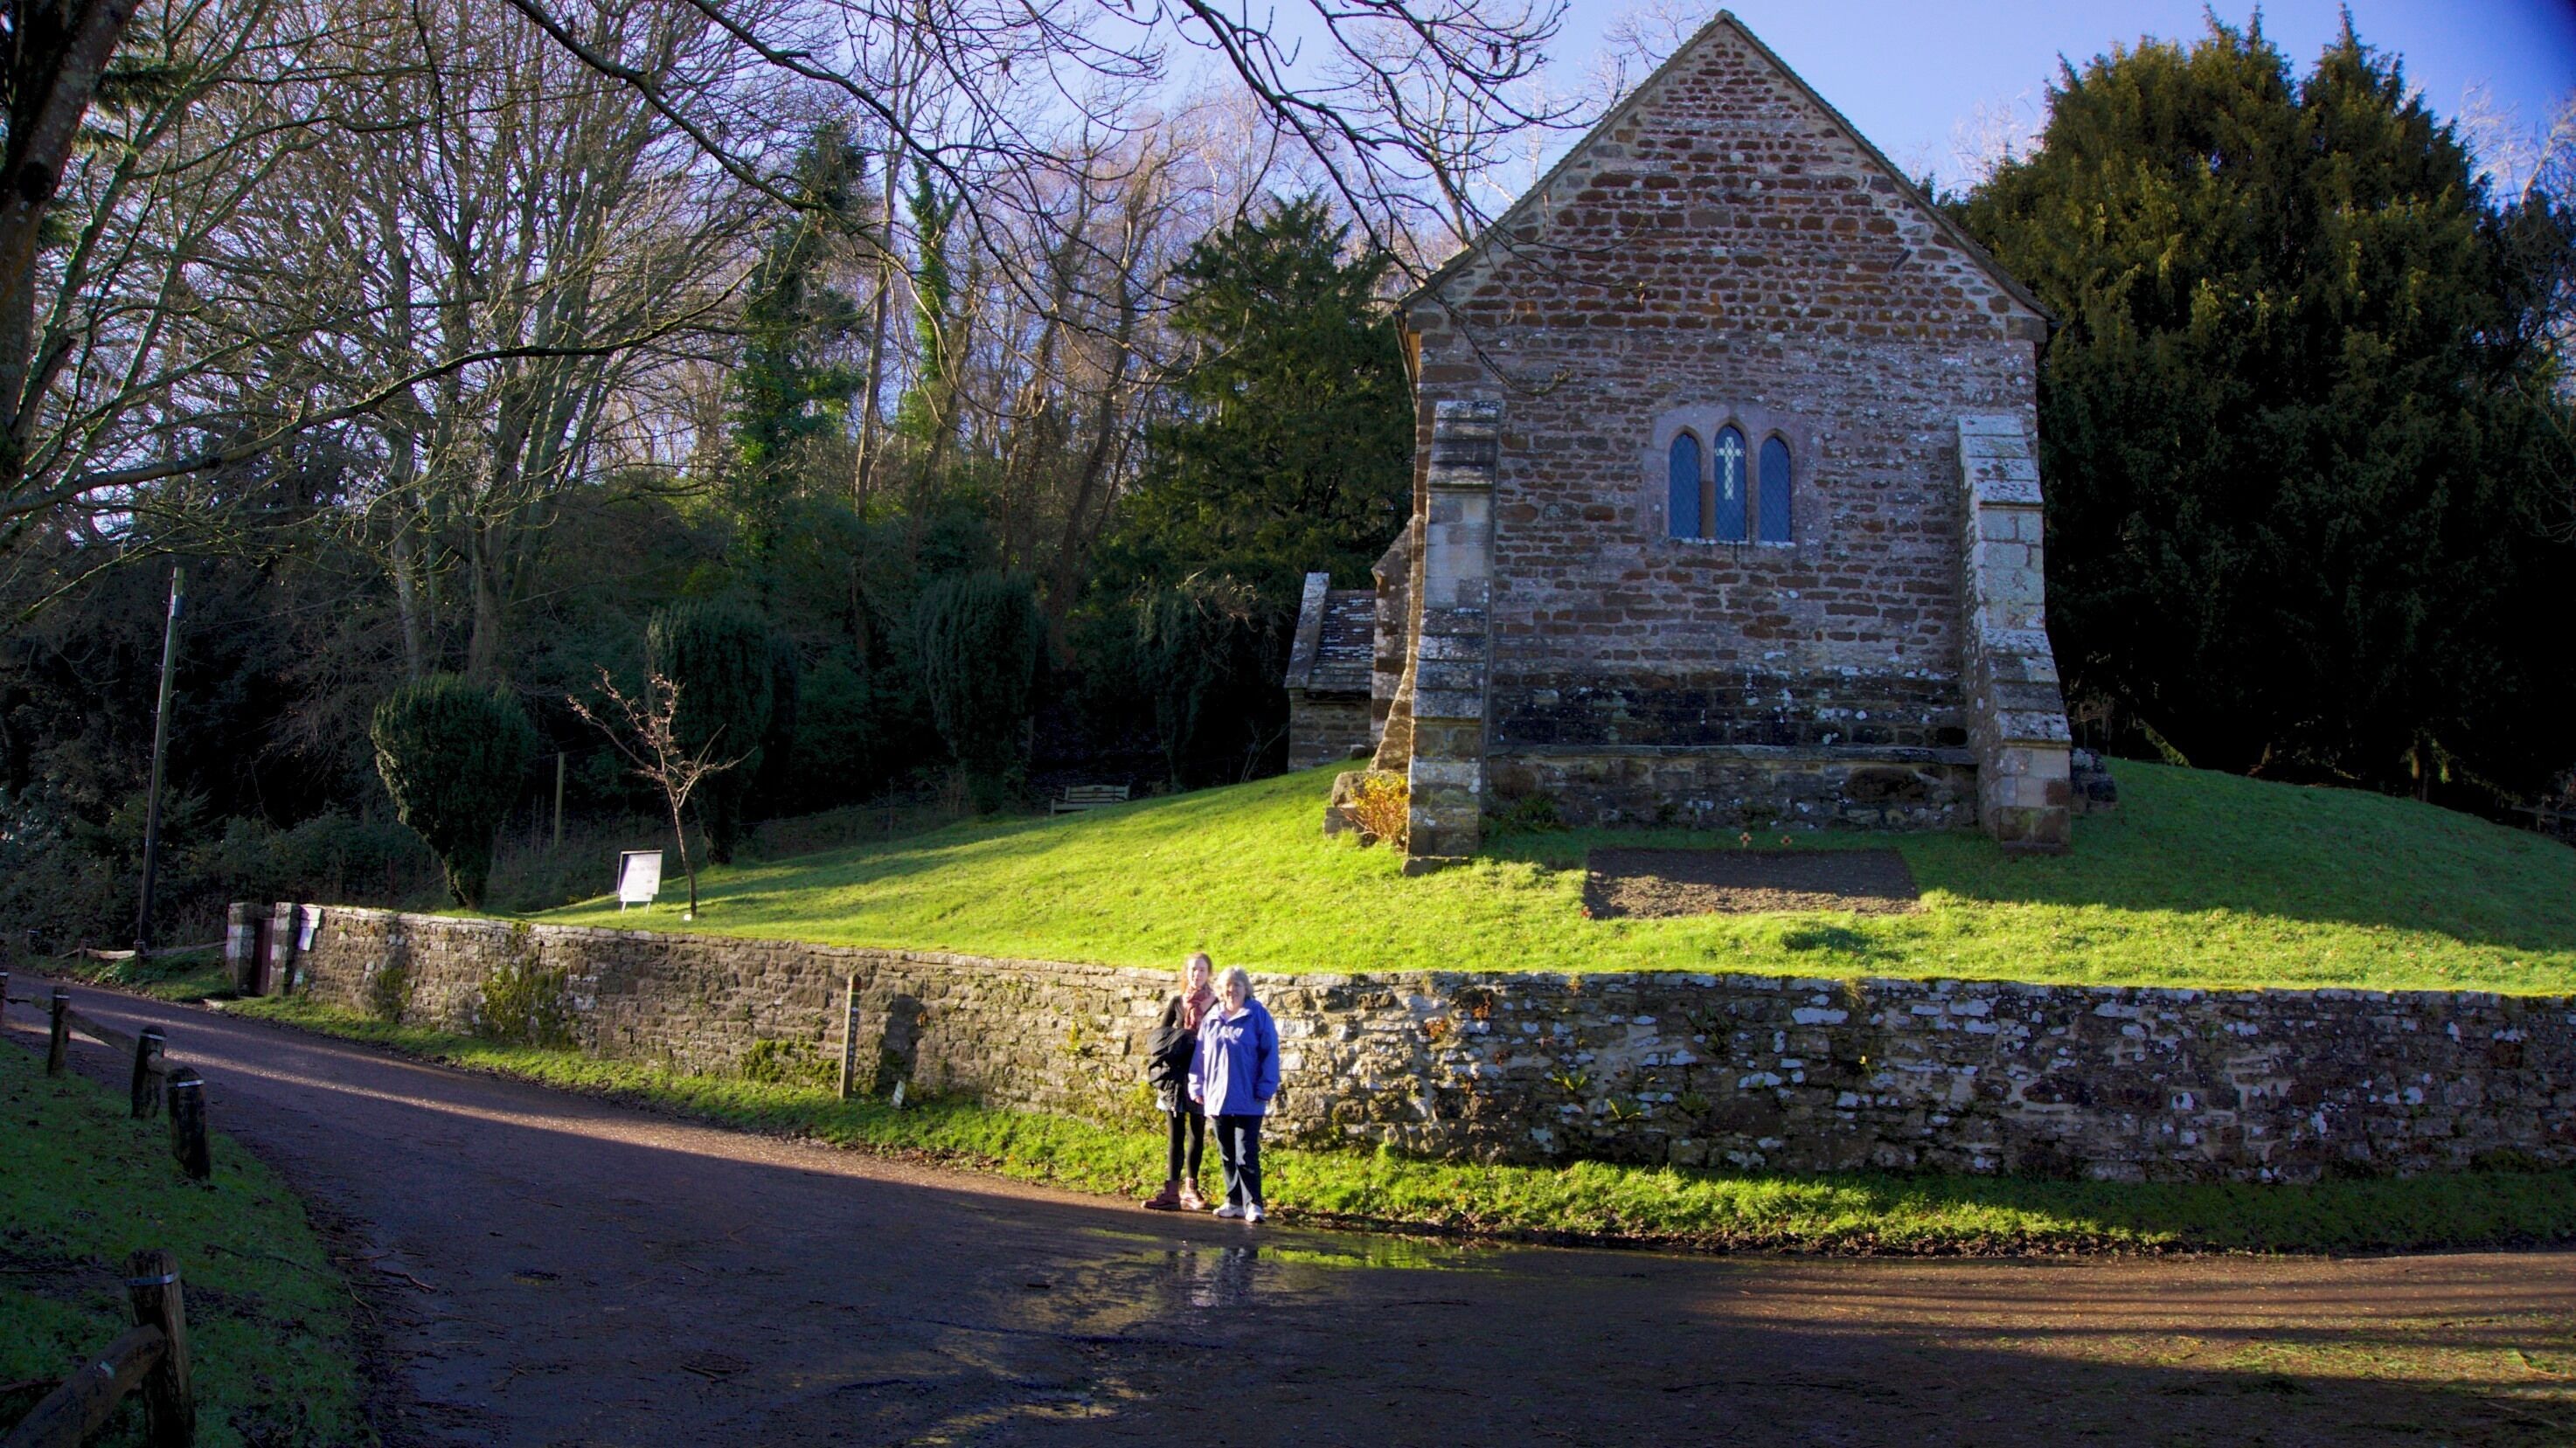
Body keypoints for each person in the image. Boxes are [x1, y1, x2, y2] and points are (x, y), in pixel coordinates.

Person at [1190, 964, 1279, 1223]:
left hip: (1248, 1097)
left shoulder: (1258, 1015)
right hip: (1218, 1096)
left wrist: (1266, 1086)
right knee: (1226, 1151)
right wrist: (1197, 1086)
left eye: (1236, 987)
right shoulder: (1212, 1018)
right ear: (1220, 990)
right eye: (1227, 988)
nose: (1231, 992)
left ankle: (1254, 1204)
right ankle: (1233, 1200)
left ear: (1245, 989)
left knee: (1245, 1151)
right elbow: (1200, 1056)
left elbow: (1270, 1054)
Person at [1142, 953, 1216, 1211]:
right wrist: (1182, 1038)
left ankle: (1191, 1190)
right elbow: (1158, 1040)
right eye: (1193, 970)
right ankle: (1170, 1190)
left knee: (1197, 1132)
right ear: (1187, 973)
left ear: (1209, 974)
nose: (1197, 974)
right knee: (1175, 1134)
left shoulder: (1215, 1004)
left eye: (1202, 970)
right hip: (1174, 1079)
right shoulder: (1176, 1002)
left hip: (1201, 1075)